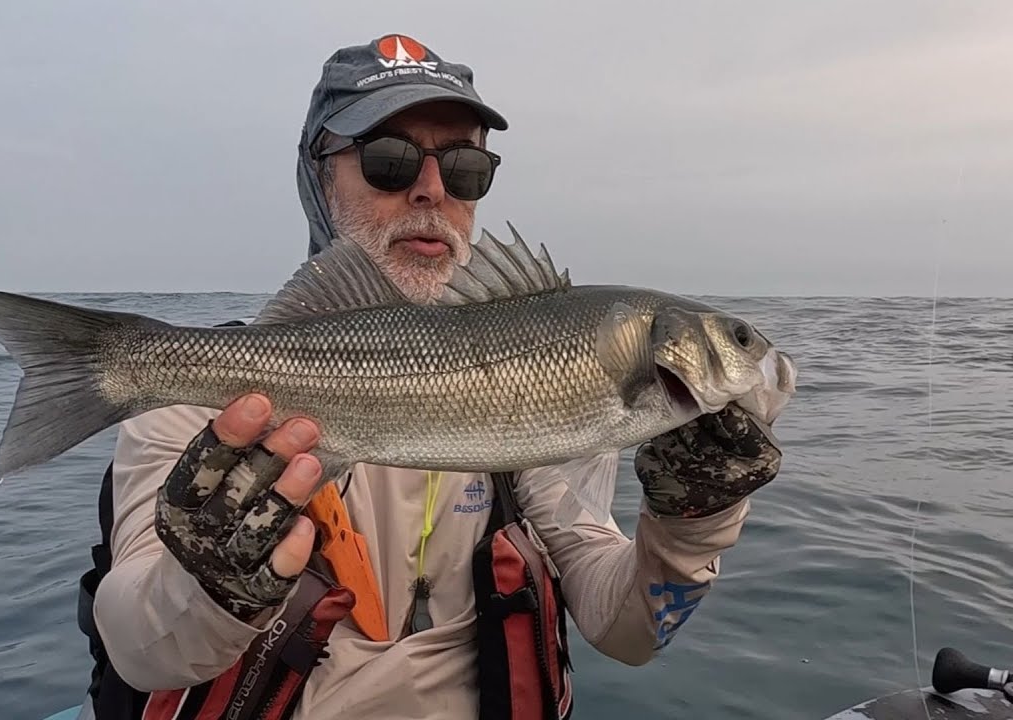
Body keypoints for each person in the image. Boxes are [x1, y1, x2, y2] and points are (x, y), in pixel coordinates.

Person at [77, 33, 783, 720]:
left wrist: (694, 523)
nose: (432, 190)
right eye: (389, 161)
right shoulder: (199, 403)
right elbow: (137, 650)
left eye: (467, 171)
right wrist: (204, 585)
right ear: (319, 179)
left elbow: (628, 633)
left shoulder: (562, 396)